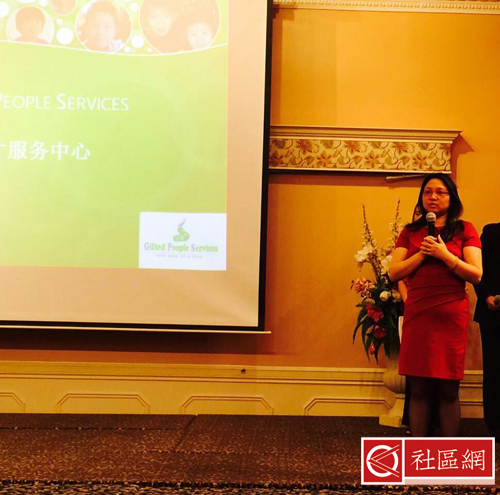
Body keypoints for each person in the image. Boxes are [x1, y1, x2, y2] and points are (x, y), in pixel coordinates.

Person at [388, 173, 482, 437]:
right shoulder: (410, 231)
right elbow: (394, 272)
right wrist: (422, 254)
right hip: (418, 313)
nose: (433, 197)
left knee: (448, 389)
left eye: (440, 192)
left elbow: (476, 274)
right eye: (428, 192)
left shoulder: (465, 229)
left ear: (452, 198)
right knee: (417, 388)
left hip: (450, 314)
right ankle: (419, 449)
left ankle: (449, 451)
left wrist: (444, 255)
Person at [473, 222, 500, 438]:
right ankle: (496, 424)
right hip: (494, 312)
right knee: (494, 369)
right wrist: (487, 296)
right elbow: (477, 270)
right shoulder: (491, 232)